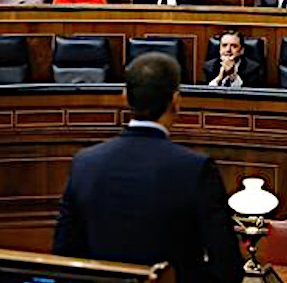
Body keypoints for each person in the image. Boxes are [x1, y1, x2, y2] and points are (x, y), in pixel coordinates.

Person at [53, 52, 244, 283]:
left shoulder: (85, 164)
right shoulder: (196, 169)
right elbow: (228, 267)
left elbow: (63, 260)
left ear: (124, 97)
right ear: (176, 101)